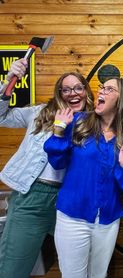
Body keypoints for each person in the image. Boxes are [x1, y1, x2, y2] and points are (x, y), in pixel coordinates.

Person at [0, 59, 95, 278]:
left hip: (70, 200)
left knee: (81, 267)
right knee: (13, 268)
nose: (73, 93)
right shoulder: (40, 113)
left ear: (86, 91)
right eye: (67, 89)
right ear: (59, 93)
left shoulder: (94, 123)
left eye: (78, 88)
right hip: (32, 196)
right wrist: (8, 83)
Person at [44, 76, 123, 277]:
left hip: (107, 221)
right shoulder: (79, 122)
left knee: (98, 275)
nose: (101, 91)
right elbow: (57, 163)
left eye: (109, 89)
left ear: (122, 100)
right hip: (72, 218)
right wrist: (59, 131)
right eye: (102, 87)